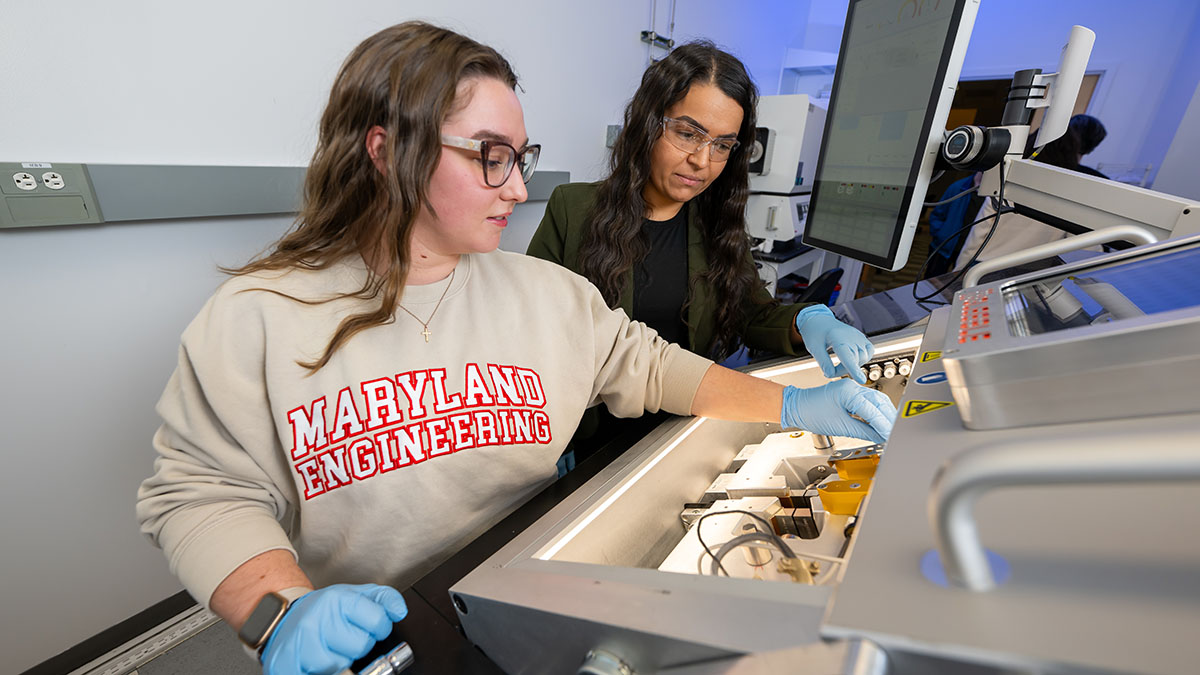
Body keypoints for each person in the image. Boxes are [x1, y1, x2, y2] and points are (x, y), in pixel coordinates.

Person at [136, 22, 896, 675]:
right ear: (386, 148)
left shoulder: (544, 293)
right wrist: (277, 611)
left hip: (532, 592)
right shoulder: (257, 316)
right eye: (489, 156)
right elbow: (202, 493)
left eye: (520, 157)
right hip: (383, 635)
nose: (517, 188)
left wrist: (794, 402)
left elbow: (655, 365)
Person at [527, 42, 878, 464]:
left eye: (722, 145)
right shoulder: (572, 209)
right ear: (647, 123)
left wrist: (811, 320)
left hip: (686, 429)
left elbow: (753, 315)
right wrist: (550, 437)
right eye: (688, 133)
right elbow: (533, 335)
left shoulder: (717, 226)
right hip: (591, 441)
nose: (701, 160)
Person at [954, 114, 1109, 269]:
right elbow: (1086, 247)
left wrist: (959, 271)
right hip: (1029, 272)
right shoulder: (1071, 197)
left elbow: (978, 234)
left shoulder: (1008, 183)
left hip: (985, 264)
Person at [923, 172, 983, 278]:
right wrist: (941, 235)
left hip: (970, 253)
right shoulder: (958, 187)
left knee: (958, 288)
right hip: (942, 248)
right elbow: (937, 214)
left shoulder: (996, 196)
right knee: (930, 284)